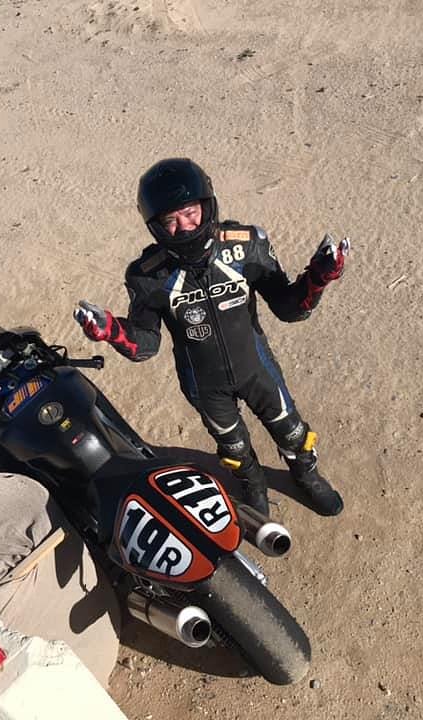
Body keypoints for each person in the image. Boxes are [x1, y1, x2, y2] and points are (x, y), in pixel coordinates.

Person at [73, 158, 349, 517]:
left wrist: (319, 276)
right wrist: (110, 330)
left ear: (208, 205)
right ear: (154, 227)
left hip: (257, 369)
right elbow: (146, 344)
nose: (184, 228)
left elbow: (289, 307)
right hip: (204, 385)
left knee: (292, 431)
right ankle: (253, 483)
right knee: (232, 447)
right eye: (170, 221)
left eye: (189, 213)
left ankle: (307, 475)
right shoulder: (146, 276)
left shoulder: (247, 244)